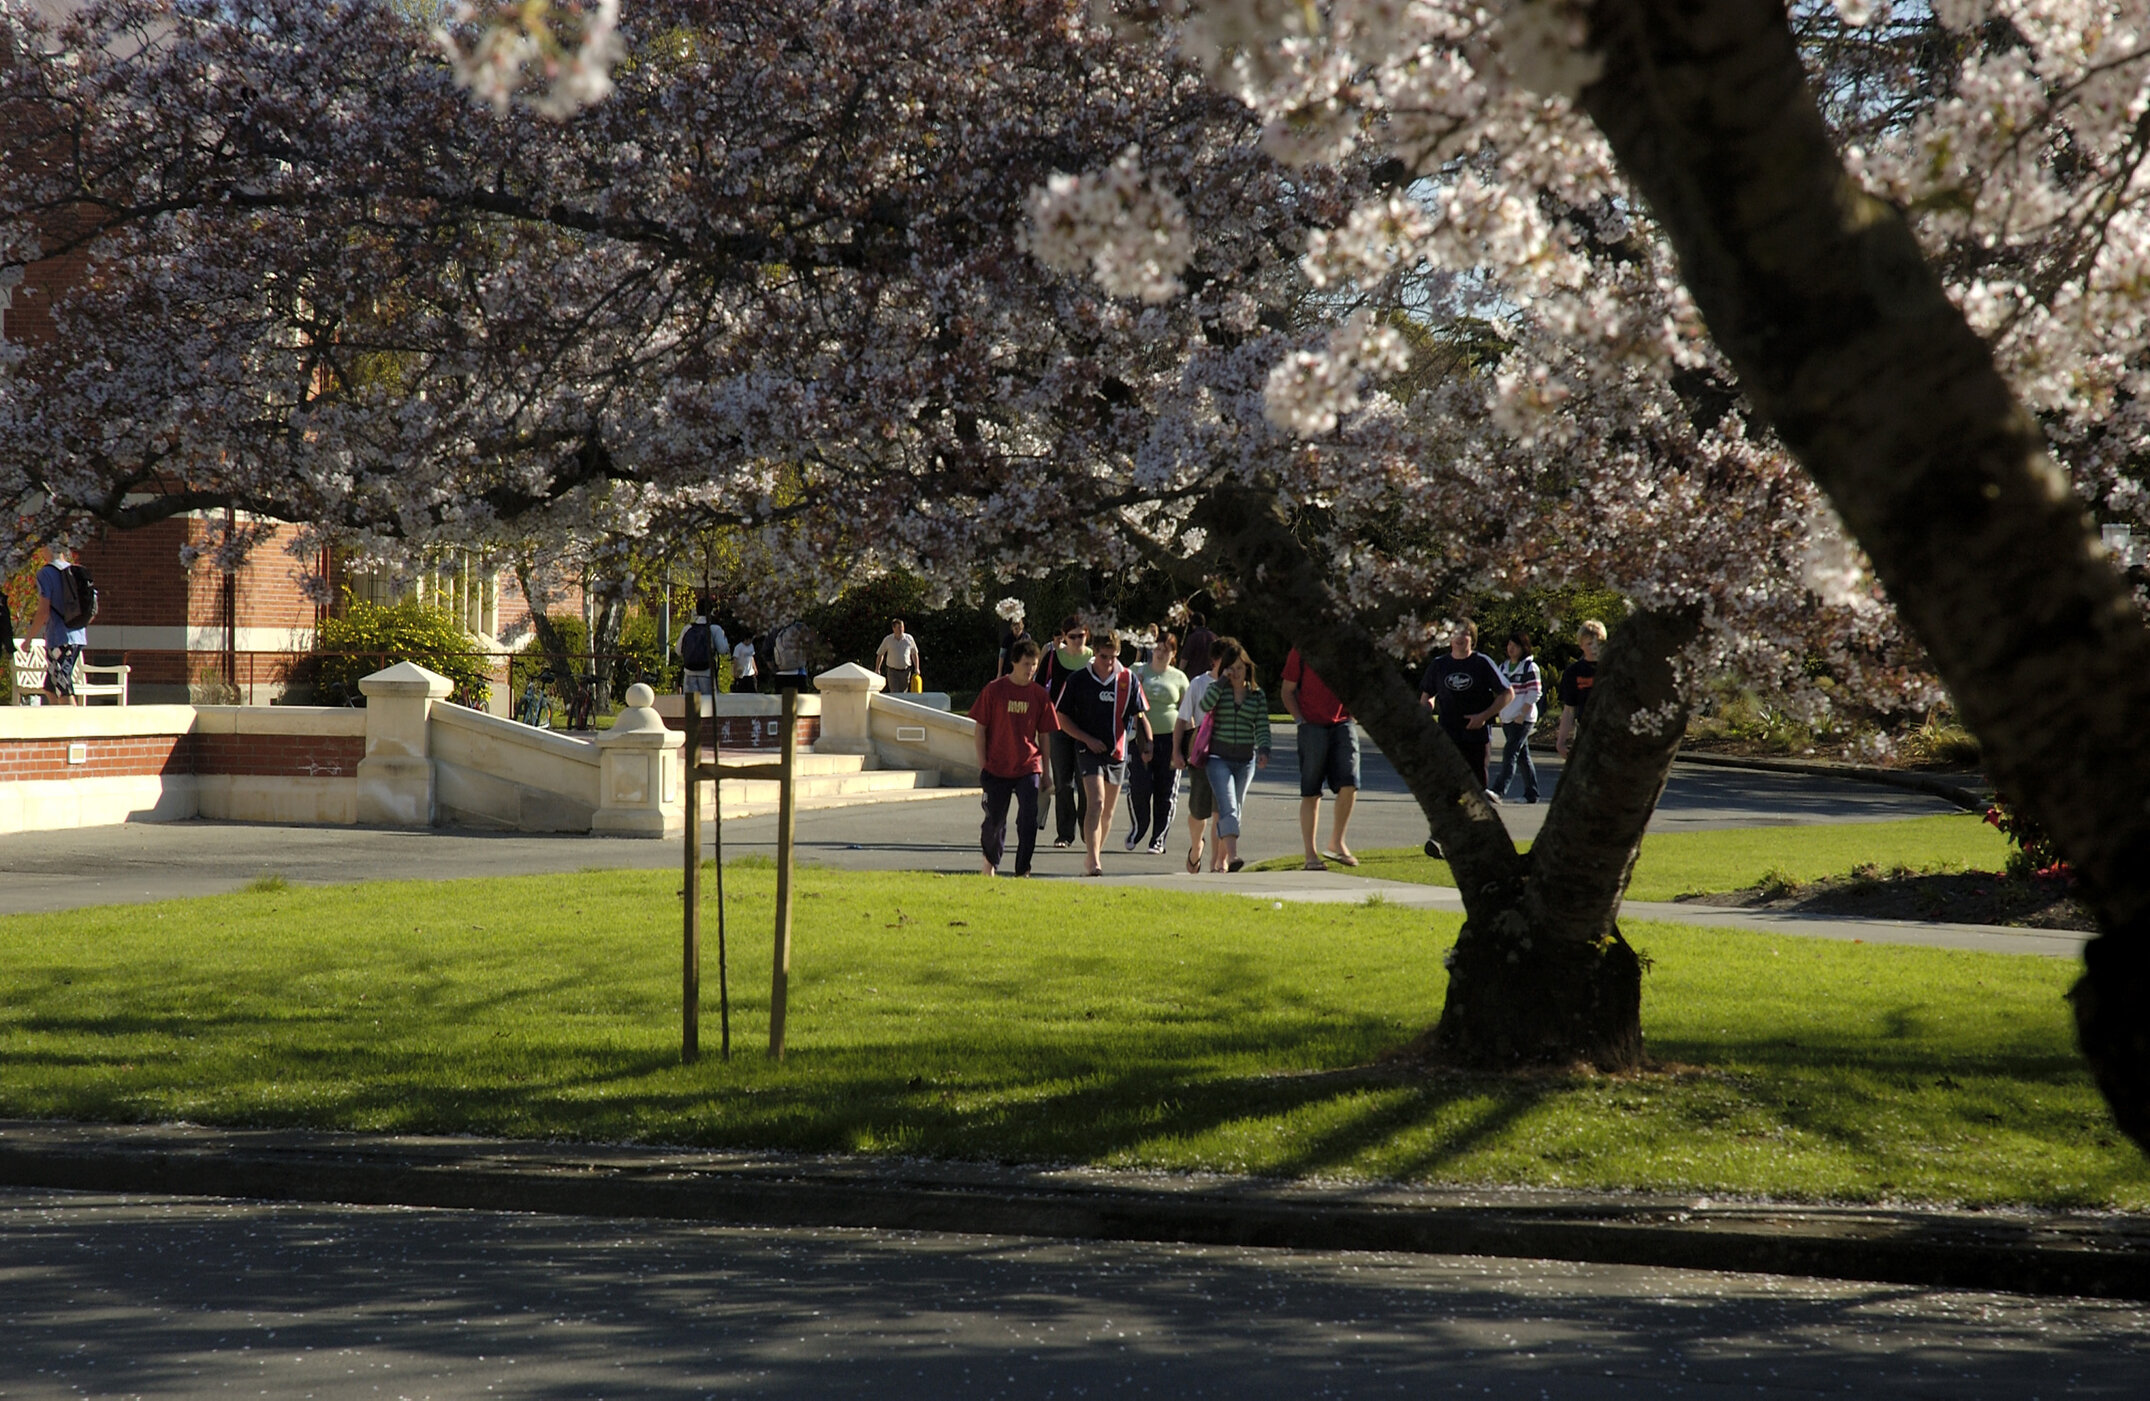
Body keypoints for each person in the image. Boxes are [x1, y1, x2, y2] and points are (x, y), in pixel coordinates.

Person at [1054, 630, 1152, 877]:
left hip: (1117, 751)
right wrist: (1086, 738)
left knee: (1108, 811)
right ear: (1094, 652)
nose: (1108, 661)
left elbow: (1140, 714)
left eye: (1112, 656)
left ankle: (1094, 853)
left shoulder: (1127, 680)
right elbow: (1061, 715)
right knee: (1095, 802)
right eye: (1103, 656)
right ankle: (1093, 859)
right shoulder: (1078, 680)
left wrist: (1147, 742)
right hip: (1088, 749)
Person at [970, 638, 1061, 877]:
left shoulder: (1040, 695)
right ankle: (990, 864)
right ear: (1014, 663)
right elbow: (980, 730)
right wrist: (983, 765)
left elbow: (1045, 735)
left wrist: (1046, 772)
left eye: (1034, 664)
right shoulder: (994, 690)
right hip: (997, 767)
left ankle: (1023, 870)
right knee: (994, 821)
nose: (1030, 669)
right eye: (1026, 664)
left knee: (1029, 819)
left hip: (1028, 766)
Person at [1194, 637, 1271, 873]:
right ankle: (1233, 856)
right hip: (1219, 759)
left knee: (1236, 807)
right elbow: (1204, 705)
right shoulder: (1219, 691)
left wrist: (1264, 749)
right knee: (1227, 805)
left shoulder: (1257, 696)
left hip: (1245, 760)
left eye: (1240, 668)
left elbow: (1262, 727)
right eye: (1232, 668)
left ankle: (1220, 860)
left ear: (1248, 668)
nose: (1237, 673)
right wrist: (1220, 682)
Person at [1280, 646, 1358, 869]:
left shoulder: (1346, 649)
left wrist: (1351, 716)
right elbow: (1287, 690)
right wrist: (1299, 721)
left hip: (1342, 723)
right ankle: (1310, 855)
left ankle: (1337, 842)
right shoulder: (1302, 650)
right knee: (1311, 790)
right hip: (1311, 725)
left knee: (1350, 782)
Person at [1419, 621, 1513, 800]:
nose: (1459, 638)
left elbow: (1508, 693)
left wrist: (1484, 716)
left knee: (1476, 792)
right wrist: (1425, 714)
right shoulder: (1439, 665)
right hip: (1447, 734)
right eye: (1455, 633)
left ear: (1473, 639)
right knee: (1448, 789)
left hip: (1476, 736)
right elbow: (1427, 696)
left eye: (1465, 633)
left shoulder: (1482, 663)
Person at [1124, 630, 1188, 855]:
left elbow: (1186, 712)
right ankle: (1139, 827)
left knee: (1166, 790)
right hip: (1139, 738)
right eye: (1157, 649)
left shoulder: (1179, 677)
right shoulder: (1136, 671)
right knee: (1139, 787)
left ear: (1173, 653)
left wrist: (1185, 746)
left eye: (1166, 650)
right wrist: (1136, 685)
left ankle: (1158, 839)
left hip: (1170, 738)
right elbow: (1123, 701)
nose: (1161, 654)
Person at [1037, 616, 1093, 848]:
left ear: (1087, 635)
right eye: (1072, 636)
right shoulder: (1053, 657)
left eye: (1081, 636)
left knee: (1086, 782)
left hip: (1086, 728)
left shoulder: (1093, 658)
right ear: (1063, 637)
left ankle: (1086, 828)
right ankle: (1064, 833)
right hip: (1057, 726)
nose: (1077, 640)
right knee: (1063, 781)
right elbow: (1039, 688)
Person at [1173, 648, 1222, 874]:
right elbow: (1183, 719)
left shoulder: (1239, 684)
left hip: (1227, 754)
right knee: (1198, 811)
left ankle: (1217, 863)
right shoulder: (1199, 683)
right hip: (1201, 752)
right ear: (1214, 660)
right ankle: (1196, 846)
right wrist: (1177, 751)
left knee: (1221, 811)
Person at [21, 549, 90, 706]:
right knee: (50, 687)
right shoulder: (73, 570)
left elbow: (43, 611)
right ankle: (57, 725)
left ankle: (74, 728)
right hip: (77, 635)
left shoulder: (46, 573)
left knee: (63, 687)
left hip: (59, 638)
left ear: (48, 548)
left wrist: (29, 638)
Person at [1491, 629, 1543, 803]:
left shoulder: (1529, 667)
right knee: (1522, 757)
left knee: (1510, 753)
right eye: (1509, 645)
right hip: (1507, 718)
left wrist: (1522, 713)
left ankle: (1498, 790)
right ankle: (1532, 793)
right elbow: (1500, 691)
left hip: (1523, 719)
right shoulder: (1503, 667)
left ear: (1523, 648)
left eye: (1515, 646)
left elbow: (1535, 692)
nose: (1511, 649)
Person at [1556, 619, 1606, 760]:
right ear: (1581, 645)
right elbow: (1569, 709)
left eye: (1598, 643)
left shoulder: (1613, 669)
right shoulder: (1573, 672)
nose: (1594, 648)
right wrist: (1561, 741)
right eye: (1590, 644)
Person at [677, 603, 728, 702]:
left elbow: (678, 651)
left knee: (691, 708)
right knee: (708, 706)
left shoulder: (688, 628)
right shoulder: (714, 629)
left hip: (689, 672)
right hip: (707, 672)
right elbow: (723, 650)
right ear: (711, 612)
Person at [875, 617, 920, 694]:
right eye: (899, 628)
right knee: (894, 693)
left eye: (902, 627)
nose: (901, 629)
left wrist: (917, 668)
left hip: (905, 671)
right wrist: (877, 668)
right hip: (892, 672)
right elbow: (880, 654)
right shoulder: (888, 640)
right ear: (893, 628)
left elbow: (914, 653)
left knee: (903, 694)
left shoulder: (909, 639)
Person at [1180, 610, 1216, 680]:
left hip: (1195, 676)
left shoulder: (1193, 637)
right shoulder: (1214, 637)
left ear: (1192, 624)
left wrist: (1180, 671)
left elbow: (1185, 658)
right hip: (1211, 676)